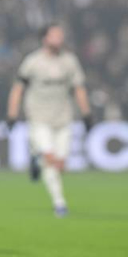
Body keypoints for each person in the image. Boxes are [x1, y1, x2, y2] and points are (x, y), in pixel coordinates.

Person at [7, 23, 92, 217]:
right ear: (45, 38)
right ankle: (59, 203)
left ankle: (36, 157)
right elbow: (18, 88)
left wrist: (87, 114)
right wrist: (12, 114)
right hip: (39, 117)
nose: (59, 39)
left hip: (63, 118)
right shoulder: (33, 62)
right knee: (51, 159)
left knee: (61, 164)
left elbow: (79, 88)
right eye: (55, 35)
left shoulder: (70, 61)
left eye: (61, 35)